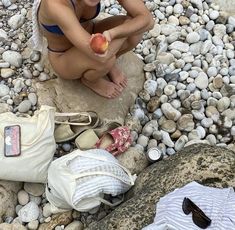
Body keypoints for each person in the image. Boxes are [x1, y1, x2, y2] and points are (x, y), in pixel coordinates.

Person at [37, 0, 154, 98]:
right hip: (64, 56)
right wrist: (124, 31)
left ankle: (107, 66)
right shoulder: (55, 3)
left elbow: (148, 21)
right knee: (107, 59)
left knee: (134, 33)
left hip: (92, 32)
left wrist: (113, 33)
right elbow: (99, 55)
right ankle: (91, 80)